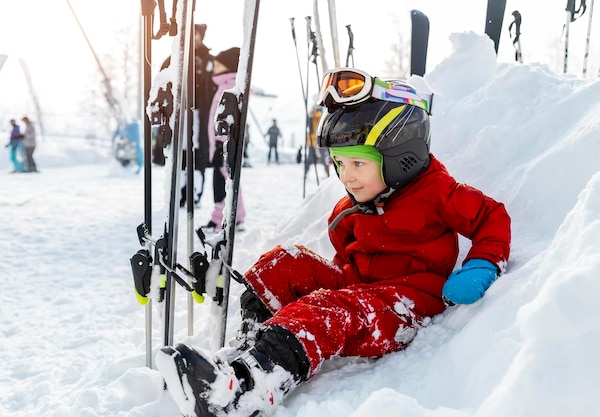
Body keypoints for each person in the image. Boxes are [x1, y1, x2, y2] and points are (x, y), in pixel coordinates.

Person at [156, 68, 511, 417]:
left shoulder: (438, 192)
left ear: (403, 157)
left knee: (327, 310)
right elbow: (344, 253)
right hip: (361, 289)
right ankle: (253, 347)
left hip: (409, 301)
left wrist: (482, 264)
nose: (346, 175)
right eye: (340, 163)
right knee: (284, 262)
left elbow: (491, 216)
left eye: (358, 163)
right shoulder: (351, 207)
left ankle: (247, 393)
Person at [160, 24, 216, 207]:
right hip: (179, 114)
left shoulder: (209, 60)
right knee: (180, 152)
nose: (194, 38)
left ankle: (195, 192)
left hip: (201, 114)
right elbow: (163, 80)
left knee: (197, 152)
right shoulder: (175, 58)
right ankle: (179, 192)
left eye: (197, 35)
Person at [202, 47, 246, 231]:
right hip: (218, 144)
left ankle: (236, 216)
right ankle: (218, 217)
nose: (214, 67)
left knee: (229, 181)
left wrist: (222, 143)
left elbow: (230, 119)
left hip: (225, 144)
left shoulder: (231, 87)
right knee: (219, 183)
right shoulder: (222, 85)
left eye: (218, 64)